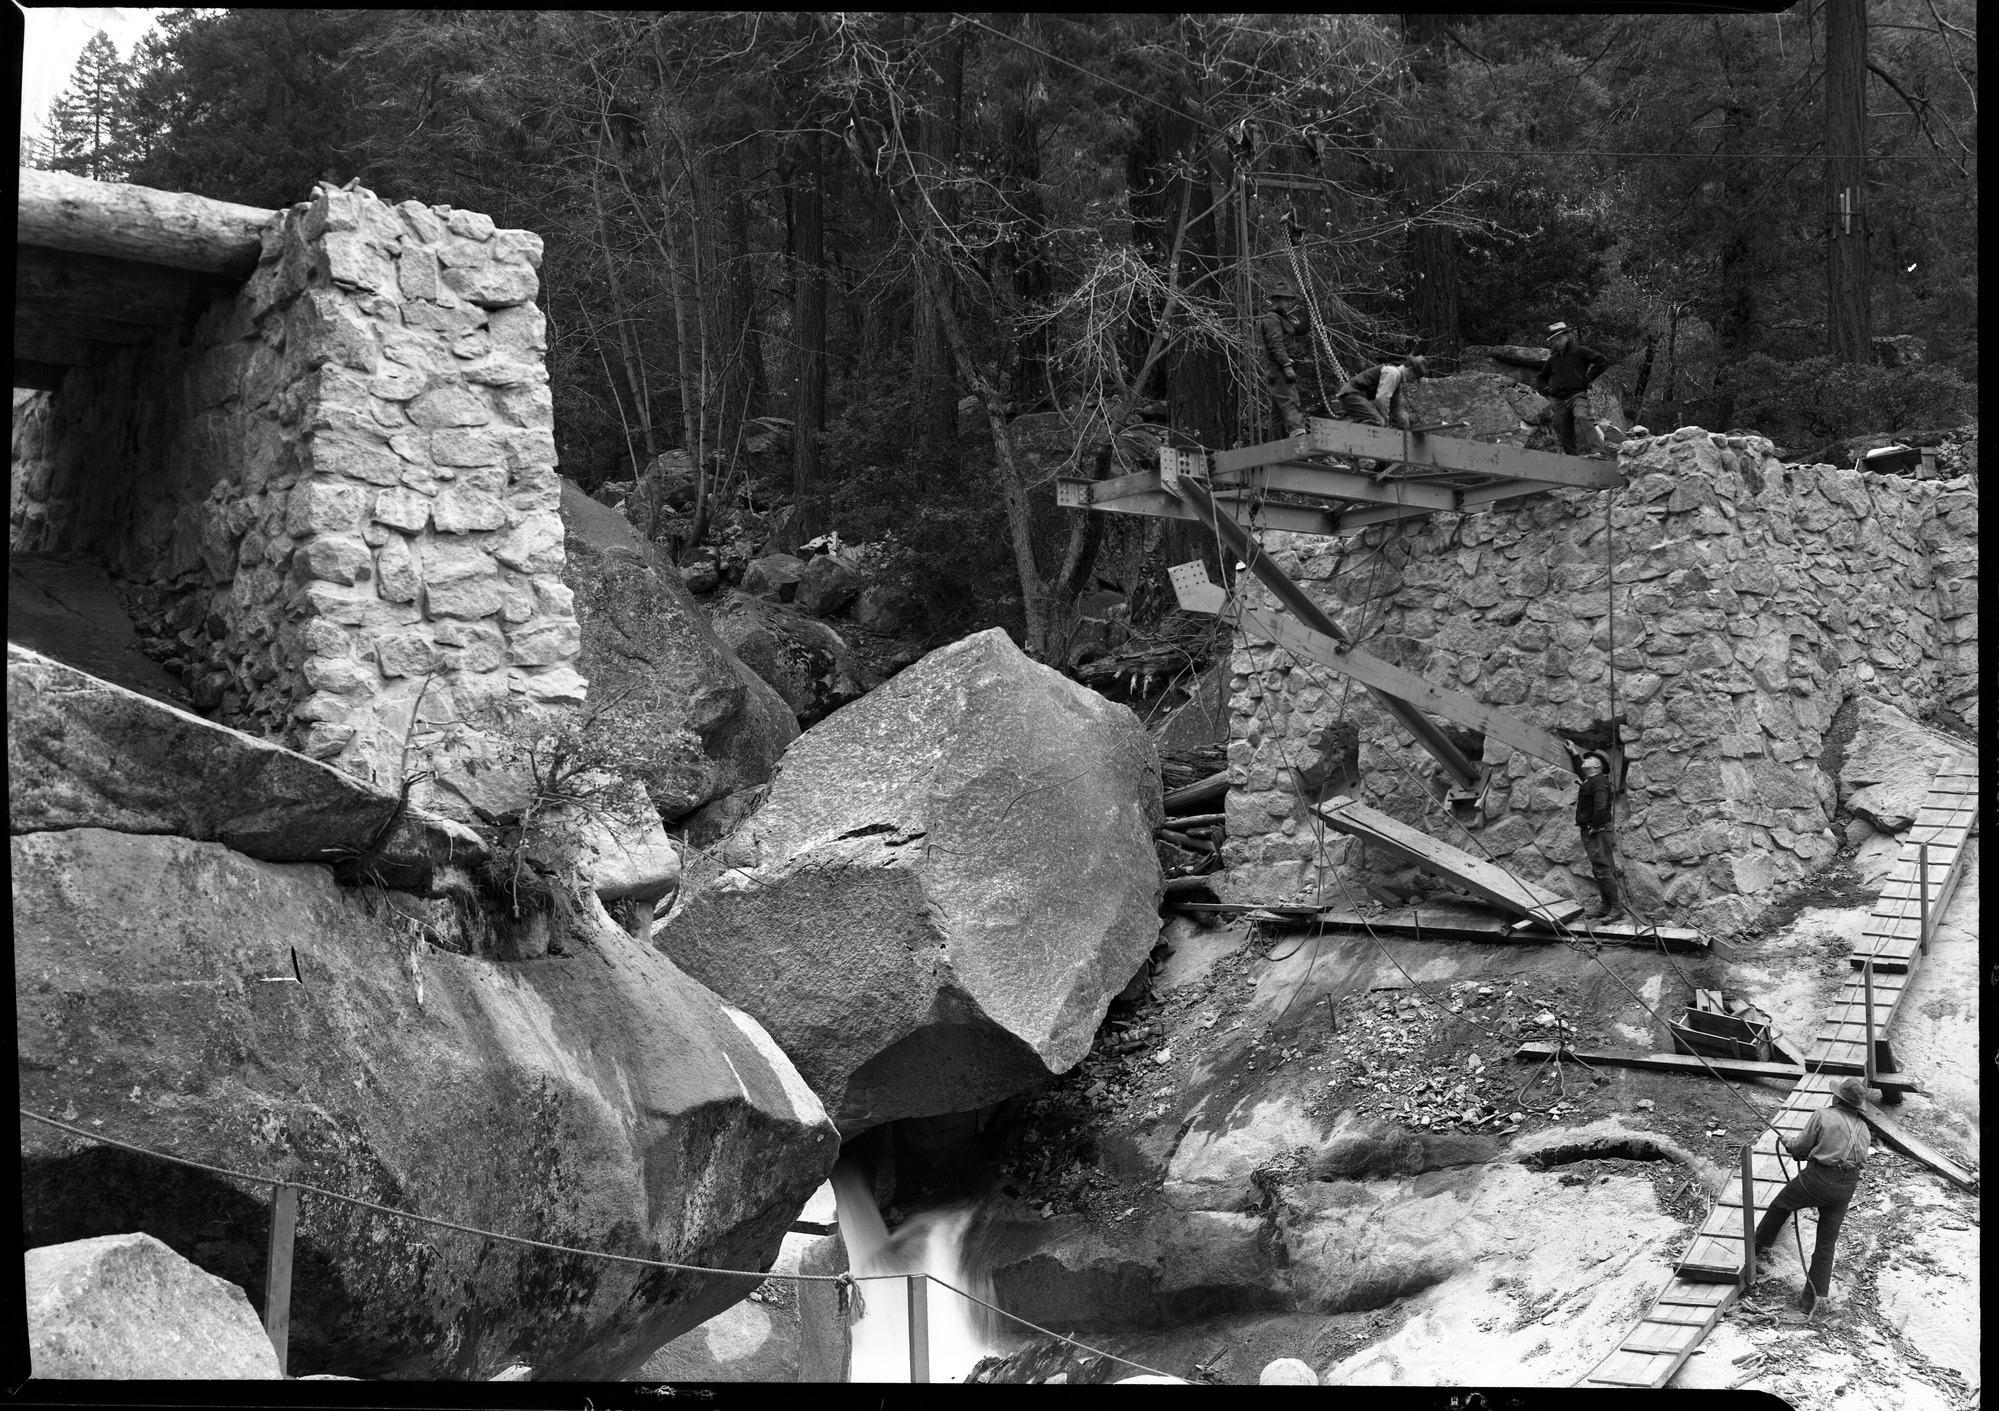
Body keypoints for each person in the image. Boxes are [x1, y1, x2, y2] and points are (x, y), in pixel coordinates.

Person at [1754, 1077, 1873, 1314]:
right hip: (1846, 1188)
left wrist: (1788, 1142)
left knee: (1780, 1205)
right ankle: (1811, 1301)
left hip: (1818, 1179)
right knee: (1826, 1244)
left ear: (1837, 1098)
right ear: (1857, 1106)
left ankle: (1755, 1251)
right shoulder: (1865, 1129)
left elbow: (1800, 1148)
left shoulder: (1823, 1115)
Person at [1534, 321, 1612, 456]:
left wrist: (1587, 378)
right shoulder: (1552, 359)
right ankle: (1572, 459)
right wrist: (1548, 390)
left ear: (1567, 336)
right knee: (1565, 431)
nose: (1557, 341)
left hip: (1577, 395)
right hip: (1558, 400)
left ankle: (1599, 451)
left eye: (1559, 337)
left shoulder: (1580, 351)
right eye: (1554, 339)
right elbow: (1541, 378)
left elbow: (1602, 361)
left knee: (1582, 416)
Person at [1254, 283, 1308, 435]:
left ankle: (1277, 443)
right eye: (1285, 300)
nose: (1289, 303)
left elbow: (1302, 329)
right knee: (1290, 400)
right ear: (1275, 300)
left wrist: (1308, 305)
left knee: (1279, 410)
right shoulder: (1272, 319)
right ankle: (1297, 432)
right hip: (1277, 367)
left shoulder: (1283, 319)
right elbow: (1276, 343)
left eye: (1291, 300)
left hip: (1278, 368)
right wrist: (1286, 365)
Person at [1574, 750, 1620, 919]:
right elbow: (1580, 771)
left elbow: (1601, 806)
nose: (1584, 760)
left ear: (1597, 765)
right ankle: (1605, 906)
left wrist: (1594, 827)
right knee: (1598, 870)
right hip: (1593, 830)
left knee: (1603, 870)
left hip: (1597, 831)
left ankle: (1616, 908)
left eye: (1589, 759)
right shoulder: (1592, 779)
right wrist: (1573, 752)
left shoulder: (1599, 782)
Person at [1335, 354, 1430, 432]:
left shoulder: (1397, 383)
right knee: (1377, 421)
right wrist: (1385, 422)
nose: (1413, 381)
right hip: (1352, 393)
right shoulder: (1393, 373)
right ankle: (1354, 443)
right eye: (1415, 377)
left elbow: (1395, 407)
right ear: (1410, 370)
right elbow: (1381, 399)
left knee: (1377, 421)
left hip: (1355, 395)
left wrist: (1404, 418)